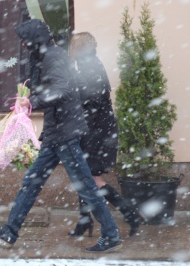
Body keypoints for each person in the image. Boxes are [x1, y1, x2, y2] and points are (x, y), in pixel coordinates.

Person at [0, 19, 122, 253]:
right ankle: (10, 230)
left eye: (26, 41)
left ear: (35, 39)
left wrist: (33, 101)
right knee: (31, 183)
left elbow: (63, 90)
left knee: (86, 185)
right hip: (57, 133)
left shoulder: (54, 57)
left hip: (65, 135)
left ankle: (111, 234)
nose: (24, 46)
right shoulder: (47, 56)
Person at [68, 32, 141, 237]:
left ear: (78, 48)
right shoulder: (89, 65)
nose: (70, 49)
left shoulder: (89, 68)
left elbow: (92, 103)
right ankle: (84, 221)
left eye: (73, 46)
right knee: (84, 177)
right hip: (95, 129)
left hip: (97, 132)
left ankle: (131, 214)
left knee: (93, 179)